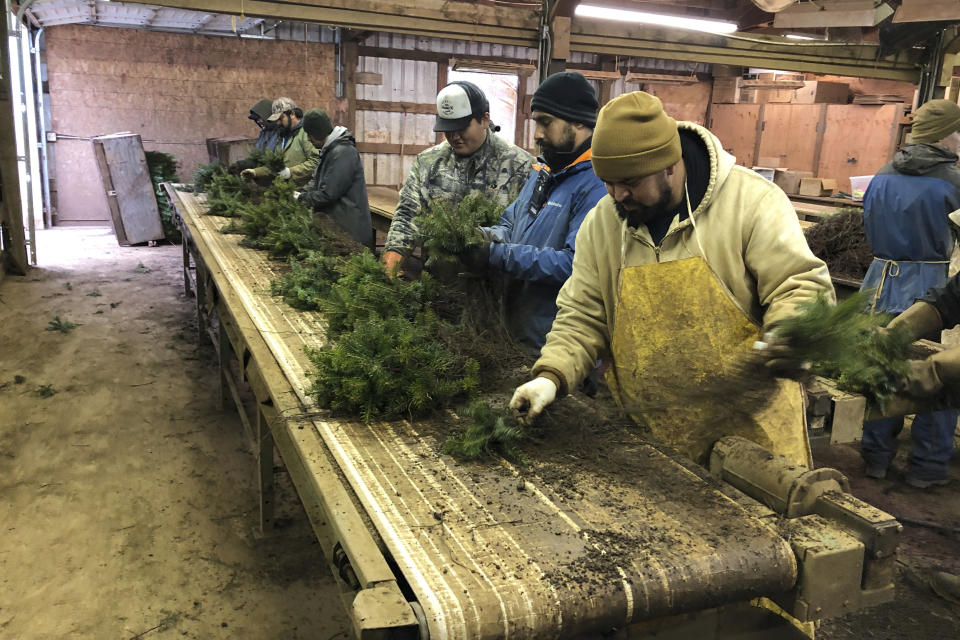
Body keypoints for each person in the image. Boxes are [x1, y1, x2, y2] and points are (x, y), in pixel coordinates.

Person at [509, 91, 833, 466]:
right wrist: (551, 376)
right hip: (652, 441)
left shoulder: (752, 203)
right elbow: (582, 313)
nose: (618, 195)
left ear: (669, 166)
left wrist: (789, 331)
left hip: (753, 439)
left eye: (629, 182)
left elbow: (799, 284)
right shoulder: (603, 223)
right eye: (609, 183)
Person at [857, 98, 960, 488]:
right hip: (933, 289)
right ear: (947, 135)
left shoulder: (881, 174)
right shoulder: (954, 182)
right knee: (938, 378)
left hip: (879, 282)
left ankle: (875, 457)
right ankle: (927, 468)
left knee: (883, 368)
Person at [465, 72, 606, 350]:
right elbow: (511, 224)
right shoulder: (544, 170)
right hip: (519, 333)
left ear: (578, 120)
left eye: (546, 122)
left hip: (557, 344)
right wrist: (481, 238)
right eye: (536, 122)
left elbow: (575, 265)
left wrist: (496, 255)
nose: (537, 134)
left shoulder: (597, 184)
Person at [381, 81, 534, 276]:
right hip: (439, 289)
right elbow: (407, 216)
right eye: (448, 128)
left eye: (461, 127)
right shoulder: (428, 162)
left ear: (485, 119)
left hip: (496, 292)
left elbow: (527, 233)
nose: (454, 136)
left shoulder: (520, 166)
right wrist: (389, 269)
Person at [296, 108, 373, 250]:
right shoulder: (330, 150)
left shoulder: (343, 153)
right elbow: (316, 181)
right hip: (338, 228)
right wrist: (300, 192)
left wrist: (301, 198)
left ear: (318, 132)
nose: (308, 139)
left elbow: (328, 193)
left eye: (310, 134)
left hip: (349, 231)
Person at [241, 97, 318, 187]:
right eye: (276, 120)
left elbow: (316, 162)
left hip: (304, 190)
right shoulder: (282, 137)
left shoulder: (306, 133)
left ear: (292, 114)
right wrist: (255, 172)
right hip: (286, 189)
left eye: (280, 119)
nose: (278, 123)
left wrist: (290, 172)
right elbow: (276, 166)